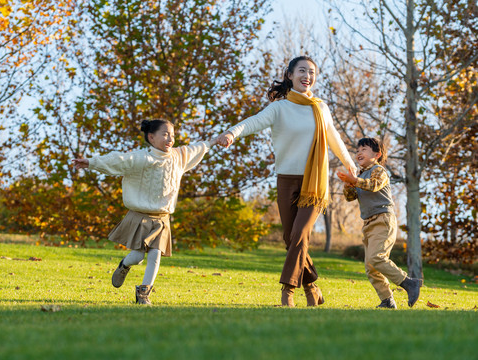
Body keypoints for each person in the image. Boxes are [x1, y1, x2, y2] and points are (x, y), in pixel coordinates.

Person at [216, 56, 357, 307]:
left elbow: (333, 137)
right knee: (291, 238)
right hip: (286, 179)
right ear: (290, 75)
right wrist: (231, 133)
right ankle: (312, 286)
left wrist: (350, 163)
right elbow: (253, 122)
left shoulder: (321, 107)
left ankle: (288, 291)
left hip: (314, 183)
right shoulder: (279, 108)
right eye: (302, 71)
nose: (308, 76)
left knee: (300, 233)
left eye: (312, 72)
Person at [73, 119, 217, 305]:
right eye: (165, 134)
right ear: (151, 136)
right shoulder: (141, 158)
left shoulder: (178, 156)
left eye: (172, 135)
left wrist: (215, 141)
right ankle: (125, 264)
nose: (170, 139)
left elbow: (197, 148)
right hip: (140, 216)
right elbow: (117, 160)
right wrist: (91, 162)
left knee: (156, 255)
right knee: (138, 256)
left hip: (162, 218)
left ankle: (143, 293)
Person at [337, 137, 422, 308]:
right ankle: (387, 300)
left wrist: (355, 181)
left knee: (377, 258)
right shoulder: (360, 175)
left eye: (364, 149)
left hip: (383, 219)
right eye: (358, 150)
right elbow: (350, 197)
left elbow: (373, 185)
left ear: (377, 155)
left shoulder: (379, 171)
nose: (359, 152)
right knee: (371, 266)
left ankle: (409, 283)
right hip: (369, 223)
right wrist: (348, 184)